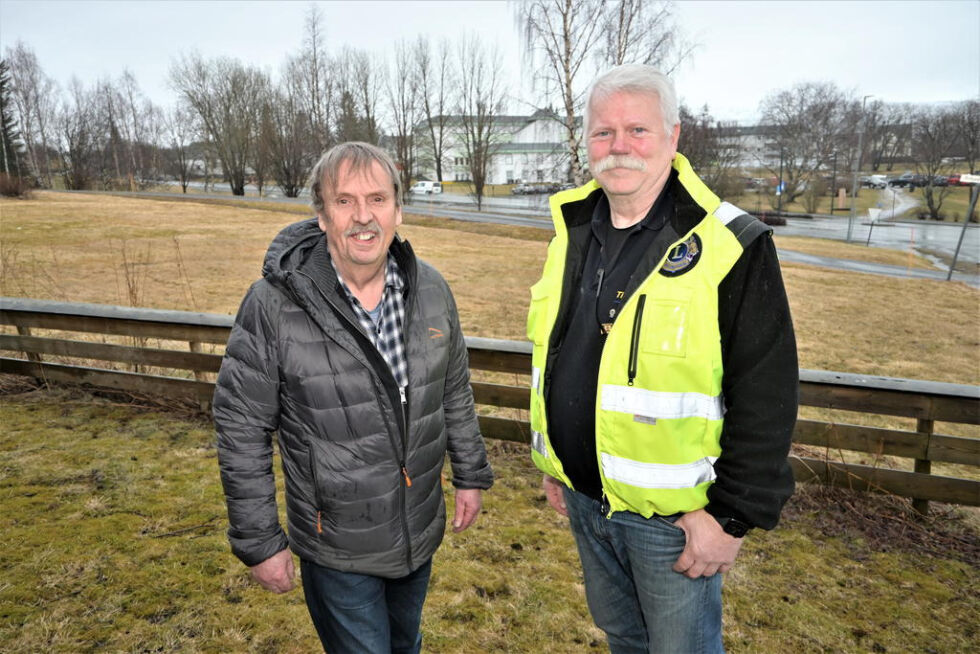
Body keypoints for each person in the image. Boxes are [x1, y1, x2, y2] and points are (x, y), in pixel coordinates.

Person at [526, 64, 797, 653]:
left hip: (673, 526)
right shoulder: (572, 231)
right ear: (586, 142)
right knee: (624, 639)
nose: (618, 146)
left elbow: (766, 393)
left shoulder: (730, 244)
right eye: (603, 132)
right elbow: (563, 356)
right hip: (585, 499)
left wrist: (730, 519)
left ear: (673, 139)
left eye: (637, 130)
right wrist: (560, 468)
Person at [214, 141, 493, 654]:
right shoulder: (275, 304)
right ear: (321, 215)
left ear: (398, 209)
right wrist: (259, 542)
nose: (363, 217)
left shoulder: (430, 289)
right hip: (337, 543)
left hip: (418, 528)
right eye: (344, 201)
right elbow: (241, 428)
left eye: (377, 199)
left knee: (405, 644)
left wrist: (471, 474)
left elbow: (452, 389)